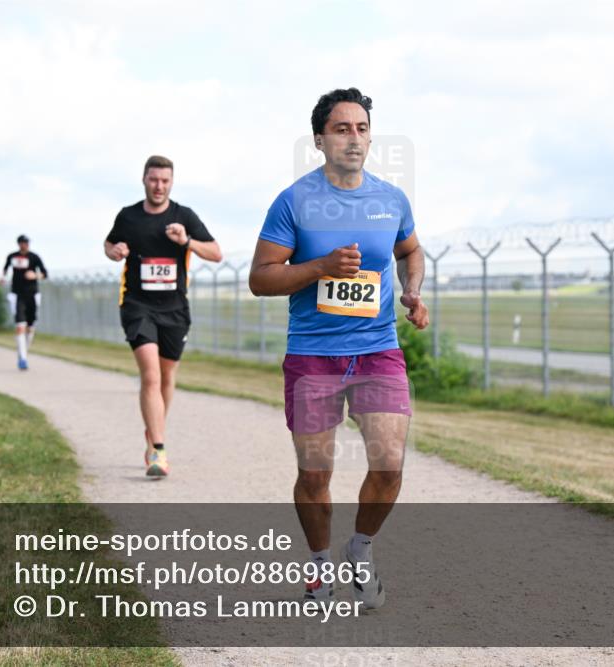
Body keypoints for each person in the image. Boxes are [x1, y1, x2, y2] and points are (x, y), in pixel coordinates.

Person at [248, 88, 429, 609]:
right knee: (314, 474)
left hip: (378, 350)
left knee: (390, 464)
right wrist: (320, 268)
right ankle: (319, 564)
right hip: (314, 355)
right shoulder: (294, 201)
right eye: (343, 129)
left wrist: (412, 290)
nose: (354, 138)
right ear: (320, 139)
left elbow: (410, 251)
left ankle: (362, 548)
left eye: (362, 128)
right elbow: (261, 278)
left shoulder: (391, 199)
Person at [104, 155, 223, 477]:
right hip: (137, 306)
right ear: (144, 179)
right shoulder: (128, 217)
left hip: (174, 309)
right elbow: (110, 243)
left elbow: (215, 252)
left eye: (165, 181)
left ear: (172, 182)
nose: (159, 186)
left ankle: (153, 432)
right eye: (154, 180)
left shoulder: (184, 216)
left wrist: (187, 241)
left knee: (167, 378)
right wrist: (114, 251)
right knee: (151, 376)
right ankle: (158, 450)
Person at [2, 235, 48, 370]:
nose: (24, 245)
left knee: (30, 327)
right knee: (20, 326)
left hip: (32, 295)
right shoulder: (12, 256)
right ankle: (22, 357)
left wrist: (35, 275)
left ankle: (24, 352)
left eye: (26, 243)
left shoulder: (34, 257)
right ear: (19, 244)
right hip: (17, 295)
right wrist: (3, 278)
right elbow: (5, 269)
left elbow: (45, 273)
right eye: (22, 243)